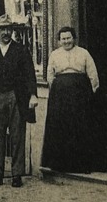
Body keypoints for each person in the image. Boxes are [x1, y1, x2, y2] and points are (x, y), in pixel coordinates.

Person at [0, 14, 39, 188]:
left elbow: (30, 75)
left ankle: (17, 174)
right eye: (2, 29)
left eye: (8, 29)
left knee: (17, 135)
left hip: (16, 97)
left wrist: (33, 95)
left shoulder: (21, 50)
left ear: (12, 31)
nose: (5, 33)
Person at [41, 25, 99, 173]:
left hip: (79, 95)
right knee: (61, 126)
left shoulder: (83, 53)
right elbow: (50, 74)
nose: (66, 41)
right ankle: (61, 165)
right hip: (60, 96)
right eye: (63, 39)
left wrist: (90, 92)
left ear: (74, 39)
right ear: (59, 41)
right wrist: (55, 90)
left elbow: (93, 74)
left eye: (69, 38)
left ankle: (80, 165)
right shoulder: (54, 54)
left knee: (79, 126)